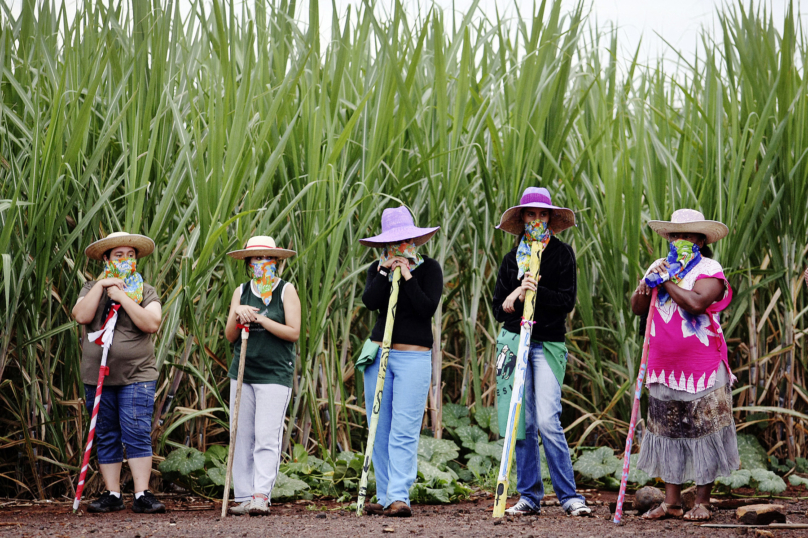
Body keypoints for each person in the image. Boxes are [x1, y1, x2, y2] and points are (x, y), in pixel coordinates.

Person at [631, 209, 737, 522]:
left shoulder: (710, 268)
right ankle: (672, 502)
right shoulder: (660, 266)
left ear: (701, 240)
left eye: (689, 235)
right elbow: (638, 308)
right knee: (667, 429)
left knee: (705, 428)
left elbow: (696, 303)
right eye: (676, 235)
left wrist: (665, 282)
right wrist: (647, 282)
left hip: (701, 365)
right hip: (663, 363)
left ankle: (702, 501)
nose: (681, 241)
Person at [491, 187, 591, 517]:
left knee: (548, 420)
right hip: (514, 342)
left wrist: (536, 289)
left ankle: (570, 496)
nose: (537, 220)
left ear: (550, 218)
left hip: (547, 343)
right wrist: (520, 291)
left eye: (542, 214)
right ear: (522, 219)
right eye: (530, 215)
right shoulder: (511, 260)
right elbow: (499, 309)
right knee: (523, 421)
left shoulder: (561, 255)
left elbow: (565, 302)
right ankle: (530, 496)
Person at [357, 206, 442, 517]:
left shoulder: (429, 269)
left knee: (404, 429)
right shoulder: (377, 269)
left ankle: (399, 495)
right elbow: (370, 302)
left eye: (405, 241)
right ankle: (383, 495)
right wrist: (384, 272)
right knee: (378, 427)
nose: (399, 247)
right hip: (379, 354)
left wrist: (407, 276)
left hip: (413, 357)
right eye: (393, 243)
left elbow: (426, 308)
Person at [72, 232, 164, 514]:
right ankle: (112, 493)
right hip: (97, 376)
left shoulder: (145, 290)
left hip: (137, 375)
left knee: (136, 431)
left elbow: (152, 322)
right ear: (106, 259)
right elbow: (81, 316)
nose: (125, 260)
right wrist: (102, 286)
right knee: (106, 433)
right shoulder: (92, 287)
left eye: (130, 255)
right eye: (118, 255)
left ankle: (141, 494)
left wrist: (122, 296)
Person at [223, 236, 300, 516]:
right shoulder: (241, 291)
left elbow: (293, 332)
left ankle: (260, 495)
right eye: (255, 259)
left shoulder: (286, 290)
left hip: (275, 373)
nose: (261, 263)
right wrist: (237, 315)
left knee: (266, 435)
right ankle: (243, 495)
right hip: (243, 371)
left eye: (266, 258)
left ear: (277, 262)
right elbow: (230, 336)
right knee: (241, 434)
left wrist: (260, 319)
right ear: (248, 263)